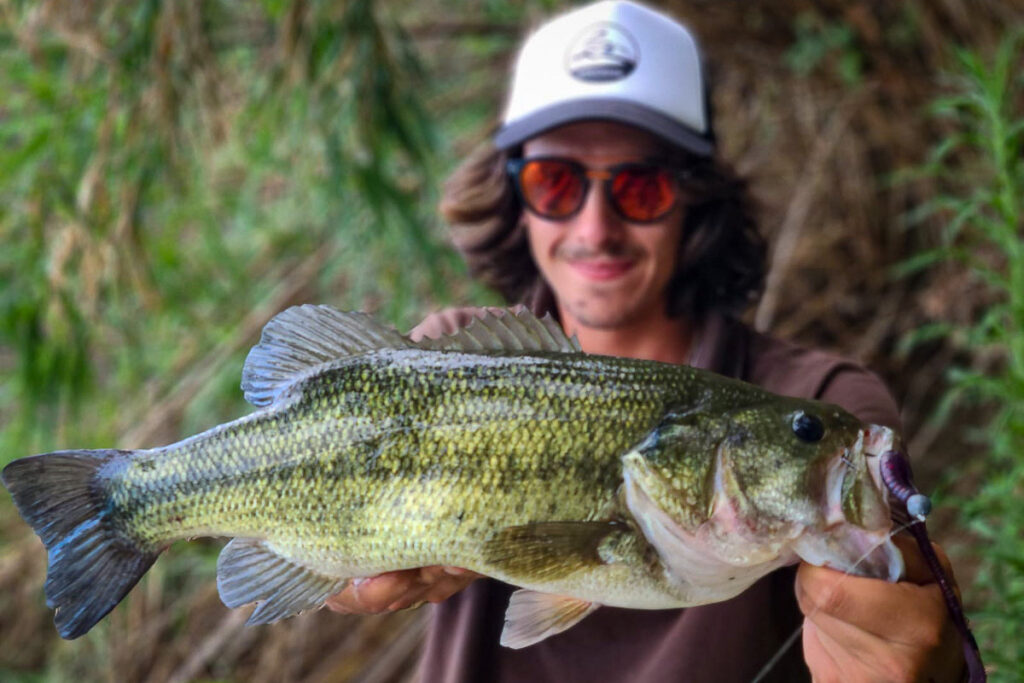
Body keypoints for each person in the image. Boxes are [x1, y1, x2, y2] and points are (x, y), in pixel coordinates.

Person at [326, 1, 965, 680]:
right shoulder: (453, 358)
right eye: (556, 182)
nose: (596, 227)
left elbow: (897, 605)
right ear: (514, 194)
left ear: (695, 198)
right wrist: (330, 566)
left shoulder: (820, 398)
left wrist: (928, 665)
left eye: (640, 186)